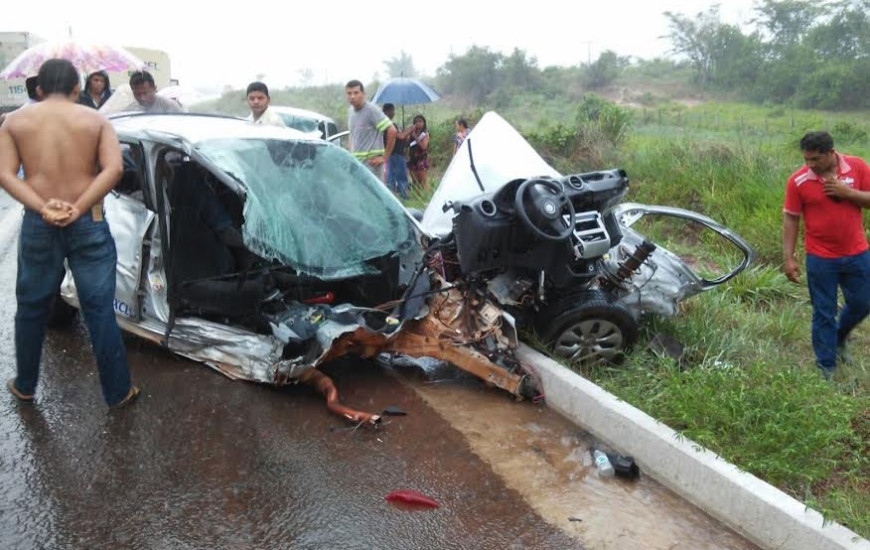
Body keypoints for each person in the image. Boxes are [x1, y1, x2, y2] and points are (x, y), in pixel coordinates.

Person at [0, 59, 138, 408]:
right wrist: (78, 206)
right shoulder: (97, 120)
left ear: (40, 88)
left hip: (38, 221)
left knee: (31, 307)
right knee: (99, 309)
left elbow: (5, 174)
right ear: (78, 88)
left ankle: (26, 384)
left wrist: (44, 207)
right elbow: (114, 169)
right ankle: (118, 392)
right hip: (88, 220)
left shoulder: (14, 121)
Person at [782, 130, 870, 379]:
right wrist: (788, 258)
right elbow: (790, 218)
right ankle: (826, 366)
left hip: (857, 253)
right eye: (807, 159)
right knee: (823, 311)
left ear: (831, 153)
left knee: (864, 303)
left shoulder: (857, 167)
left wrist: (847, 193)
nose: (810, 165)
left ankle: (839, 337)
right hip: (821, 258)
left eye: (815, 159)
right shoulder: (798, 181)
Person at [345, 79, 396, 180]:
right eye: (349, 93)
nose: (352, 96)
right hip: (357, 164)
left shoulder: (371, 110)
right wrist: (350, 157)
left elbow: (392, 130)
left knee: (373, 195)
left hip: (372, 164)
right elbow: (352, 135)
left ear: (363, 94)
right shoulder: (351, 112)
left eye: (356, 93)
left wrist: (385, 157)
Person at [382, 103, 409, 199]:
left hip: (391, 153)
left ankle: (392, 197)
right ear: (387, 112)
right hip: (395, 154)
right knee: (400, 176)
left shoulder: (383, 124)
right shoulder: (389, 125)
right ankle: (403, 196)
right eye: (392, 111)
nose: (393, 113)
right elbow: (400, 136)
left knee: (391, 176)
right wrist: (411, 129)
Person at [405, 114, 430, 192]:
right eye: (416, 122)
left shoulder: (425, 134)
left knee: (423, 181)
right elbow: (407, 144)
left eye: (420, 121)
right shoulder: (412, 133)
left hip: (421, 158)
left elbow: (424, 146)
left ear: (424, 123)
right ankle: (418, 196)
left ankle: (426, 196)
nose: (418, 123)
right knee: (415, 181)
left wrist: (416, 137)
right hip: (412, 158)